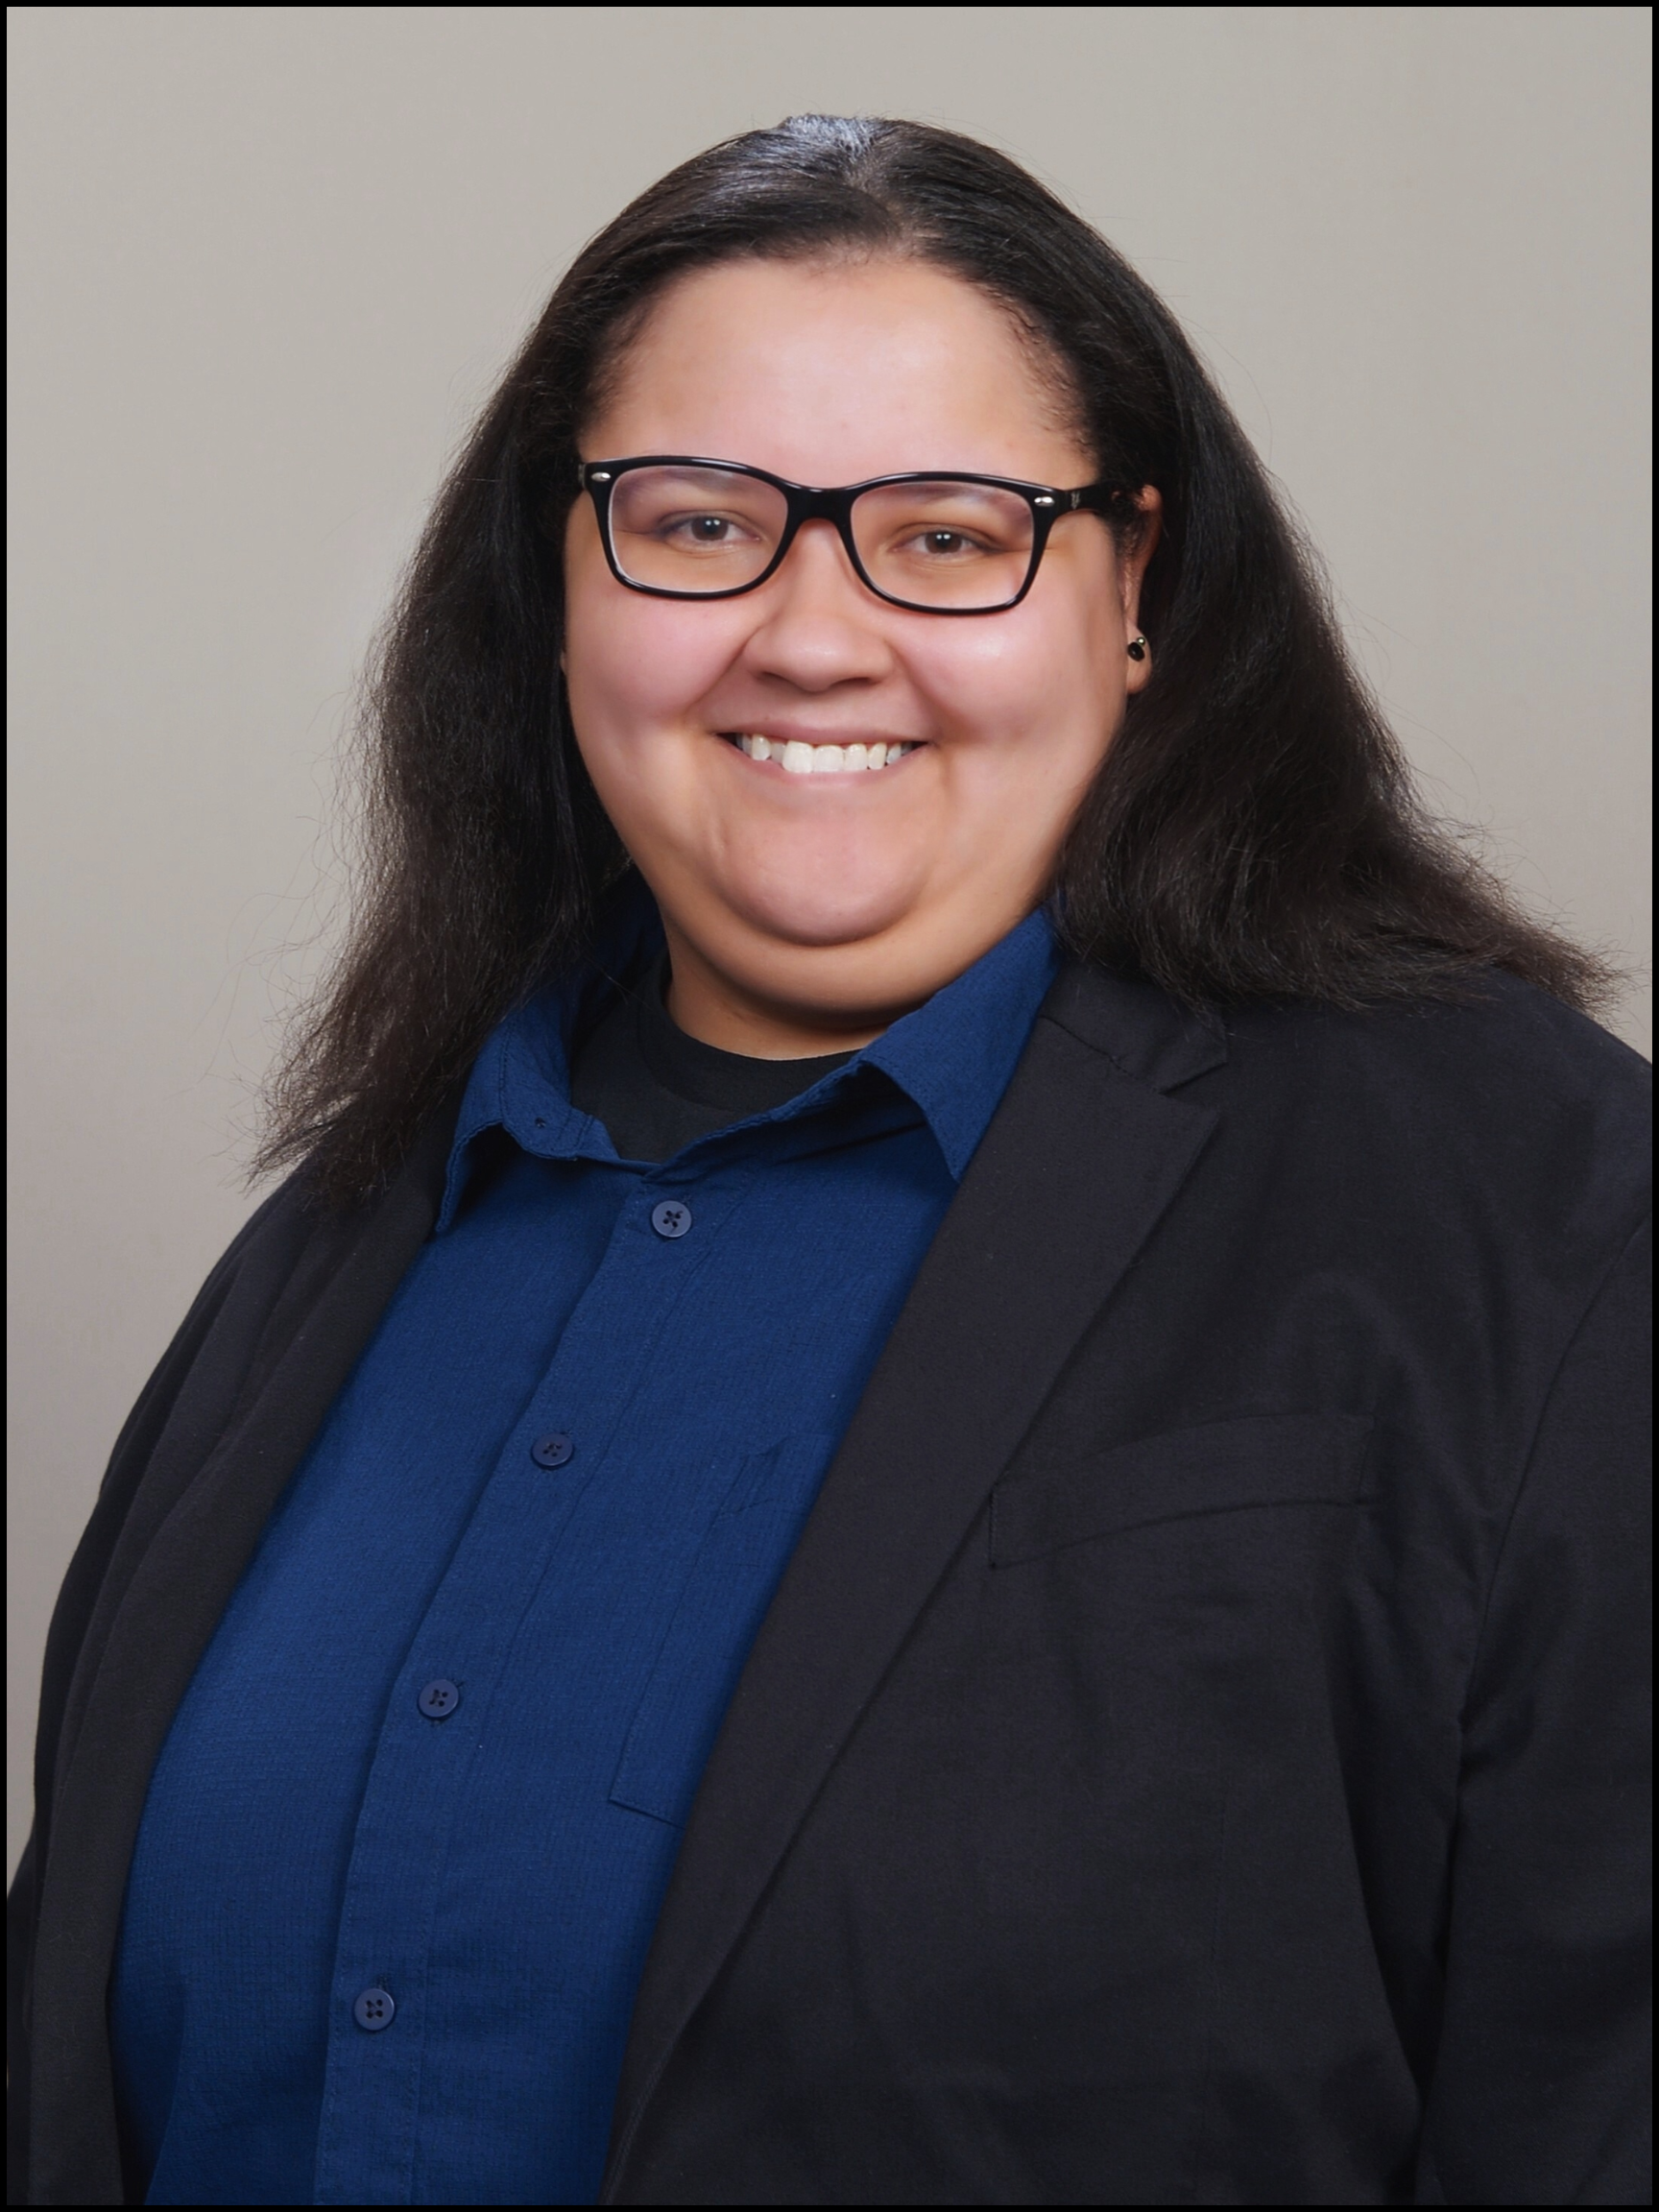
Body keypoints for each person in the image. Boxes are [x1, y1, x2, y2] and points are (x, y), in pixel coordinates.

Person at [8, 114, 1649, 2208]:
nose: (811, 632)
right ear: (559, 583)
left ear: (1131, 588)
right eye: (697, 524)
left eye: (950, 534)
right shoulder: (349, 1234)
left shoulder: (1538, 1218)